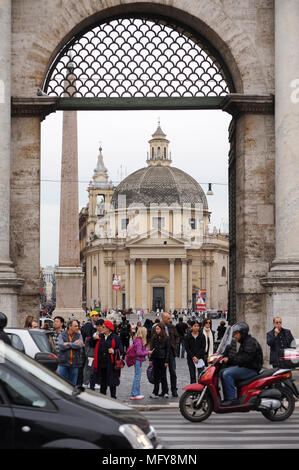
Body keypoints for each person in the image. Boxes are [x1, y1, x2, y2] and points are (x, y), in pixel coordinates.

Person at [220, 322, 263, 406]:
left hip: (251, 369)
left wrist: (229, 360)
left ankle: (232, 399)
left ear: (242, 333)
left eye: (236, 334)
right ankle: (227, 397)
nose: (235, 336)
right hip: (246, 366)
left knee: (226, 374)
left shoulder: (250, 343)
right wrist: (228, 358)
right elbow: (239, 356)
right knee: (223, 371)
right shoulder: (245, 342)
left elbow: (244, 358)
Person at [92, 320, 123, 398]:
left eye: (103, 327)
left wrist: (114, 351)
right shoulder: (100, 336)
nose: (101, 328)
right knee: (103, 382)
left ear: (108, 328)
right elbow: (91, 344)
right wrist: (94, 338)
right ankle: (103, 398)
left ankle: (113, 397)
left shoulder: (115, 337)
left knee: (112, 382)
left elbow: (121, 350)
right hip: (102, 363)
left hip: (111, 364)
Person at [159, 312, 180, 397]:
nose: (170, 320)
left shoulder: (172, 327)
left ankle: (174, 390)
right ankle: (165, 390)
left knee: (173, 372)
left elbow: (177, 337)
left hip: (171, 352)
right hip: (162, 352)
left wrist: (175, 346)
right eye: (168, 318)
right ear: (163, 318)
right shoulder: (158, 327)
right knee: (162, 372)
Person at [57, 319, 84, 385]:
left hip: (75, 363)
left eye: (78, 326)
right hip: (63, 363)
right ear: (70, 326)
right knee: (62, 384)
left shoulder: (79, 335)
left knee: (72, 385)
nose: (77, 328)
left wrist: (68, 344)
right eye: (75, 326)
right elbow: (61, 346)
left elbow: (79, 345)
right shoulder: (62, 335)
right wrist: (73, 344)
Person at [149, 323, 170, 398]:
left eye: (158, 329)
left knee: (163, 376)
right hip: (156, 358)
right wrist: (150, 359)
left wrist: (167, 361)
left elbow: (168, 350)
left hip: (163, 358)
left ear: (161, 329)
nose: (156, 330)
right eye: (156, 329)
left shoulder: (166, 338)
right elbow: (152, 349)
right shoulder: (154, 337)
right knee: (156, 376)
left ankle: (165, 391)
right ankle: (155, 392)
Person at [129, 327, 151, 400]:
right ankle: (135, 394)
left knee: (137, 376)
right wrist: (148, 352)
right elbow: (139, 352)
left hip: (137, 360)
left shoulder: (138, 340)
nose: (147, 333)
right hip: (137, 360)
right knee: (137, 377)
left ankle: (135, 393)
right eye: (146, 332)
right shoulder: (139, 341)